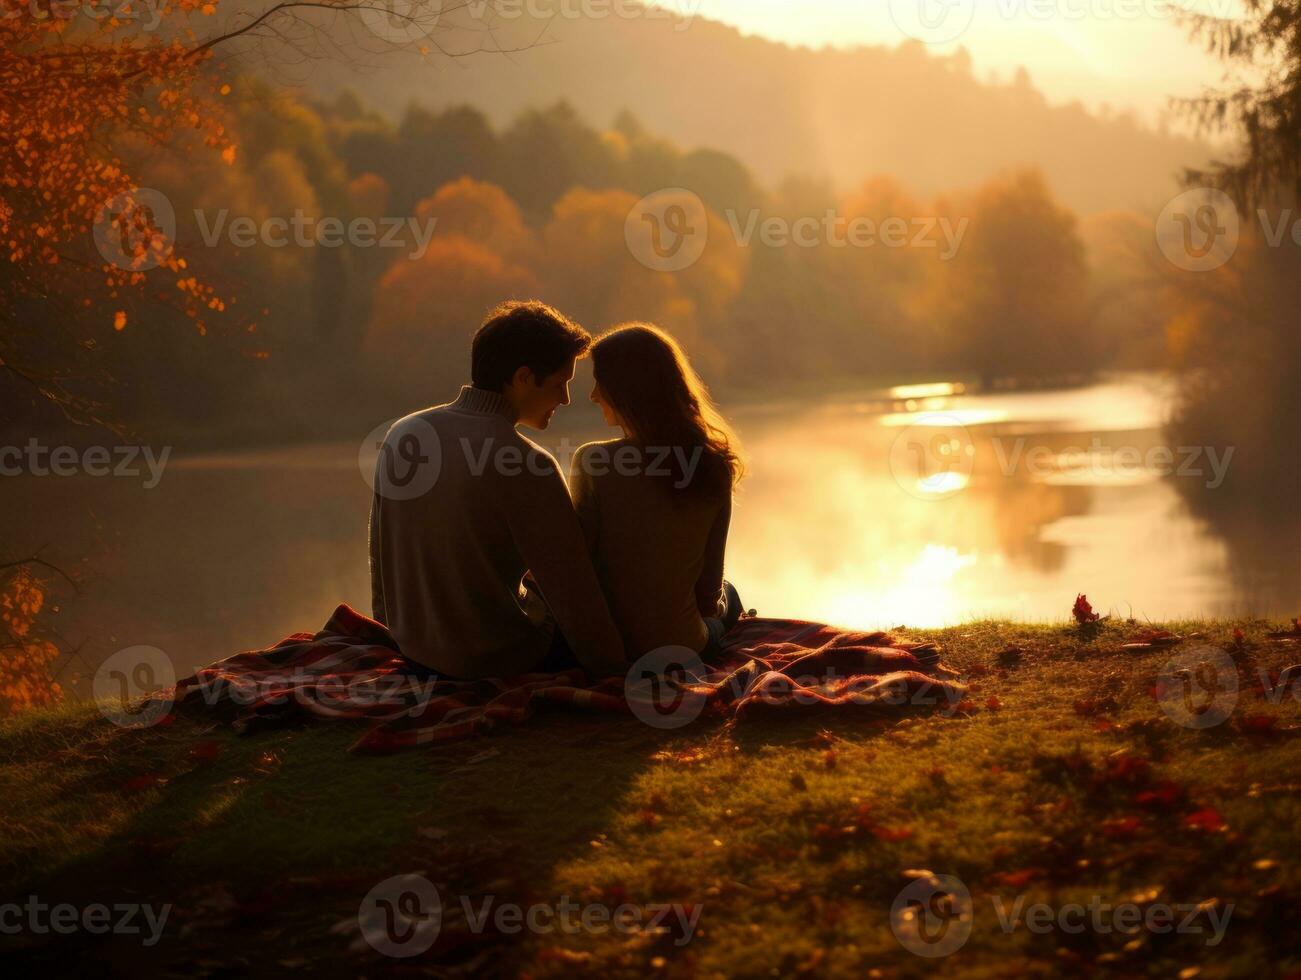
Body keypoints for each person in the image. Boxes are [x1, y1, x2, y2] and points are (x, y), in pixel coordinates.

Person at [368, 300, 627, 680]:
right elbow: (575, 597)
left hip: (414, 653)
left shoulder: (404, 432)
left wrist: (394, 641)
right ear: (523, 378)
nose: (566, 399)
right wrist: (616, 670)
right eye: (560, 383)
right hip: (496, 658)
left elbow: (380, 558)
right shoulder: (526, 462)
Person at [569, 323, 744, 661]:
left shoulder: (593, 462)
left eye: (599, 382)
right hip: (682, 647)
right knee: (730, 596)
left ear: (625, 389)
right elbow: (708, 595)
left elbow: (580, 573)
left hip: (611, 647)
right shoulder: (714, 465)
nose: (592, 395)